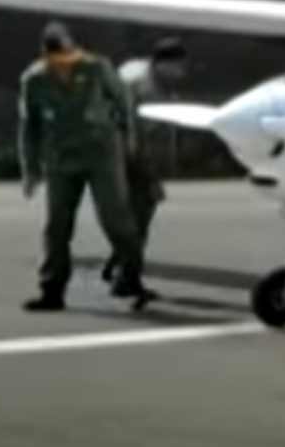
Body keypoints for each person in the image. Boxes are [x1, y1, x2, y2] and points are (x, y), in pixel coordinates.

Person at [18, 20, 149, 311]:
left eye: (68, 56)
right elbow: (29, 127)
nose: (64, 63)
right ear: (46, 56)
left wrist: (129, 139)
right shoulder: (34, 80)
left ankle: (130, 278)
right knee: (57, 226)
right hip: (61, 159)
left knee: (115, 219)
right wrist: (30, 170)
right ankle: (52, 289)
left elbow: (123, 101)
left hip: (101, 154)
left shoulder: (96, 67)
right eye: (57, 59)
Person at [101, 37, 188, 281]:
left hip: (120, 154)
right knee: (138, 219)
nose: (182, 71)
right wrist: (152, 178)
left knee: (132, 218)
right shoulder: (146, 89)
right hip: (129, 159)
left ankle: (118, 263)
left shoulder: (139, 72)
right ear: (163, 64)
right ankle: (127, 280)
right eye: (179, 65)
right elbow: (138, 139)